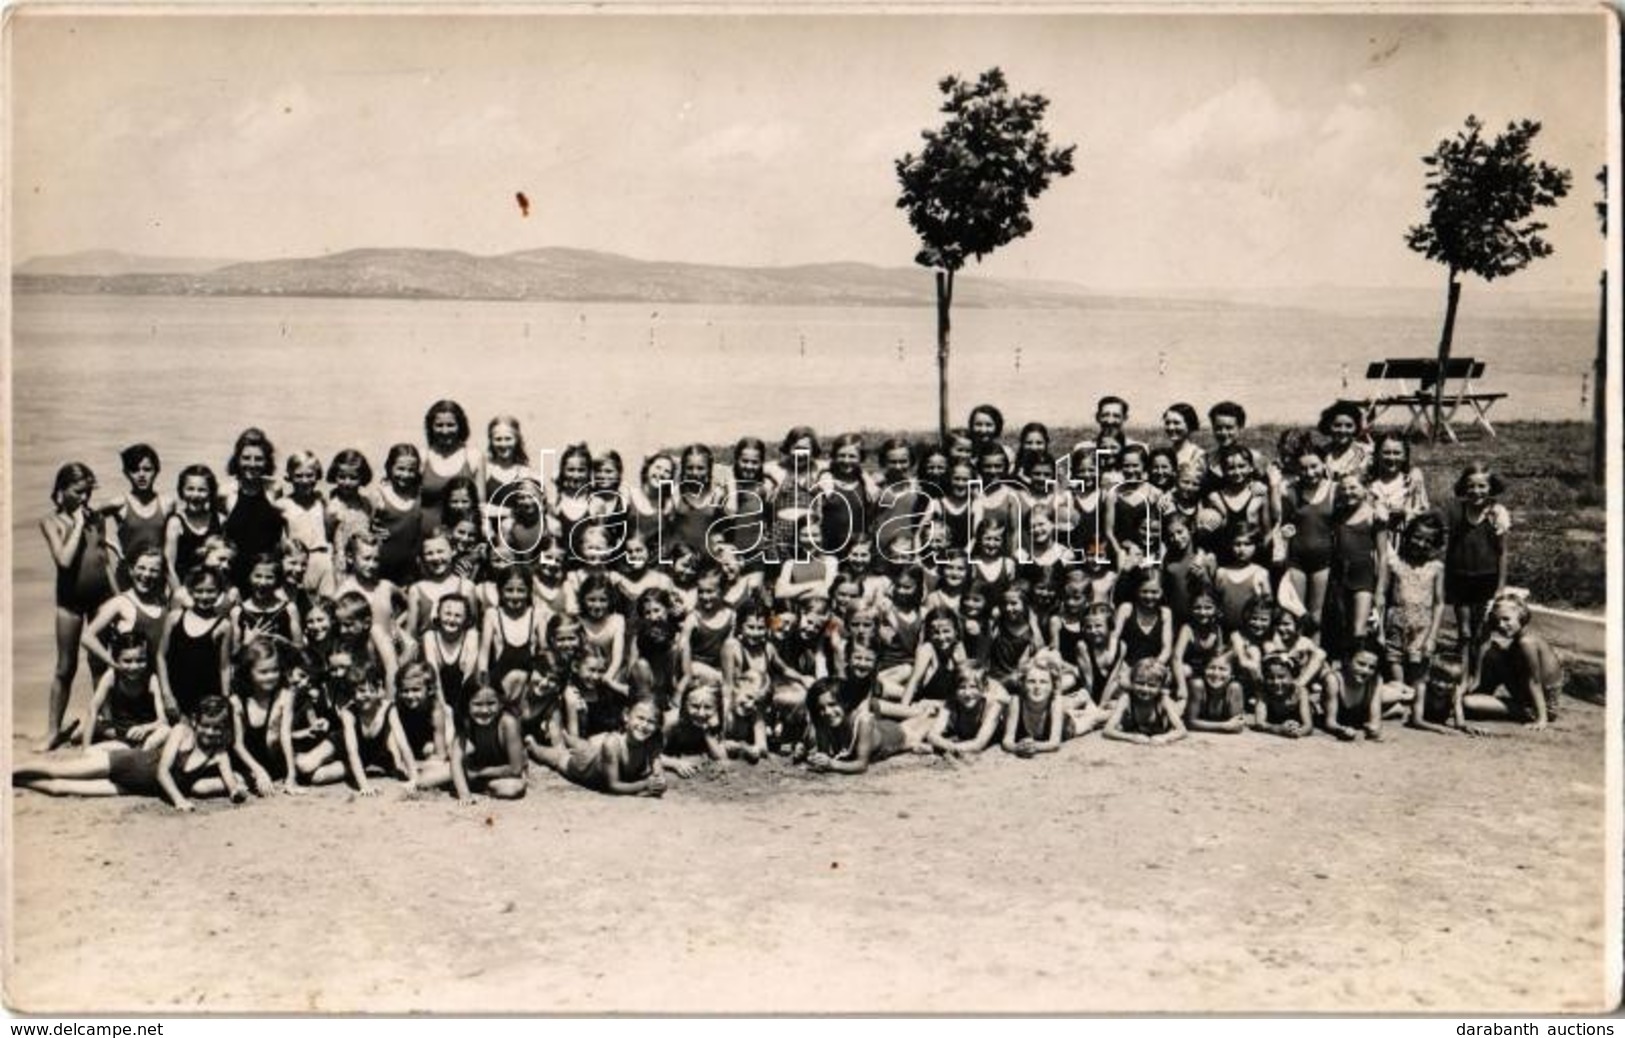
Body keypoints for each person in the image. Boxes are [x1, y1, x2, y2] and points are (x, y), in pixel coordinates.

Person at [13, 696, 245, 810]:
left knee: (60, 788)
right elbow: (163, 771)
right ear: (196, 722)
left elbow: (230, 780)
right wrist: (179, 801)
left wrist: (235, 791)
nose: (211, 732)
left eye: (218, 728)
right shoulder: (181, 732)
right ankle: (10, 769)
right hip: (127, 763)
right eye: (206, 725)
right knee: (56, 770)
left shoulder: (219, 753)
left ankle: (16, 783)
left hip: (133, 788)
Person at [40, 462, 117, 750]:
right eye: (78, 492)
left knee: (101, 663)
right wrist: (78, 525)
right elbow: (63, 560)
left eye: (87, 492)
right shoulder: (51, 522)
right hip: (69, 604)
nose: (84, 499)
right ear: (61, 491)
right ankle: (52, 731)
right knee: (65, 667)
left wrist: (120, 598)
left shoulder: (97, 518)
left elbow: (103, 562)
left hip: (101, 599)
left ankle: (105, 723)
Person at [1457, 591, 1563, 731]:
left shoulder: (1527, 642)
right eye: (1497, 620)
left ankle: (1479, 698)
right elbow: (1485, 647)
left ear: (1522, 615)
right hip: (1525, 693)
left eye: (1506, 619)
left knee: (1468, 702)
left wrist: (1541, 719)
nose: (1501, 625)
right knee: (1492, 652)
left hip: (1538, 707)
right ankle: (1480, 693)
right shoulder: (1522, 636)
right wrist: (1488, 625)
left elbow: (1534, 681)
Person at [1375, 514, 1447, 715]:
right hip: (1396, 622)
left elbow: (1440, 603)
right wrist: (1380, 629)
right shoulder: (1396, 564)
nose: (1421, 543)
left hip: (1422, 626)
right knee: (1395, 666)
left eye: (1428, 541)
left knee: (1418, 673)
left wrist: (1432, 636)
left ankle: (1415, 707)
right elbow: (1383, 598)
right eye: (1417, 537)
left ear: (1435, 544)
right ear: (1408, 536)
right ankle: (1400, 704)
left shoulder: (1437, 568)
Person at [530, 694, 669, 796]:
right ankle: (532, 744)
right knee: (558, 756)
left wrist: (659, 782)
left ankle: (566, 736)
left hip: (596, 754)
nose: (644, 725)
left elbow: (658, 775)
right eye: (640, 718)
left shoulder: (653, 741)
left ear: (657, 726)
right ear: (626, 716)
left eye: (651, 722)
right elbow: (613, 785)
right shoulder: (613, 745)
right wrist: (644, 785)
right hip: (583, 766)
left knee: (584, 745)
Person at [1444, 462, 1510, 675]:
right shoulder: (1456, 511)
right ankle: (1461, 675)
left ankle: (1478, 675)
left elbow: (1502, 552)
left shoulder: (1497, 514)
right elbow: (1445, 542)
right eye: (1471, 486)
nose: (1476, 491)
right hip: (1460, 578)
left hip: (1487, 579)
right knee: (1464, 631)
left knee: (1482, 632)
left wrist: (1500, 586)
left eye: (1482, 486)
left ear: (1491, 488)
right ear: (1464, 487)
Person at [800, 679, 932, 775]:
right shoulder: (823, 720)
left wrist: (831, 764)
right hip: (882, 729)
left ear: (845, 702)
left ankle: (933, 707)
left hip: (899, 735)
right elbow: (824, 753)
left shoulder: (863, 721)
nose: (827, 712)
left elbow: (861, 765)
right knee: (920, 718)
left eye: (833, 704)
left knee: (931, 720)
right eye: (821, 708)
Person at [157, 564, 232, 723]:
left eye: (211, 591)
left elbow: (224, 667)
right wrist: (166, 694)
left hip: (206, 700)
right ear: (190, 591)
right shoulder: (174, 618)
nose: (204, 596)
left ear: (219, 593)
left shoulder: (224, 626)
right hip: (176, 697)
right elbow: (161, 656)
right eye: (199, 591)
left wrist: (225, 702)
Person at [82, 545, 169, 668]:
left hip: (160, 677)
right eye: (141, 568)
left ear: (161, 574)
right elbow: (87, 636)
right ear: (131, 570)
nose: (146, 574)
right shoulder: (120, 602)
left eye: (154, 570)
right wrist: (114, 664)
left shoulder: (162, 600)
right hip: (132, 679)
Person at [82, 631, 169, 750]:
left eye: (140, 660)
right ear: (116, 660)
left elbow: (163, 720)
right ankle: (82, 730)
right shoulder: (111, 676)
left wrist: (145, 728)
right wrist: (85, 748)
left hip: (145, 733)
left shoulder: (151, 679)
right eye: (127, 661)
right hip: (119, 735)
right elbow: (93, 708)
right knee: (92, 727)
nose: (134, 666)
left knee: (166, 731)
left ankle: (142, 752)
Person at [277, 450, 336, 597]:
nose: (304, 480)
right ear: (289, 477)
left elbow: (329, 532)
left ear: (317, 476)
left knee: (326, 602)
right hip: (297, 562)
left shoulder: (321, 502)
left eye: (309, 475)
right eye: (298, 476)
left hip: (322, 558)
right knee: (297, 600)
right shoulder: (283, 504)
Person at [110, 444, 171, 583]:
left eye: (147, 469)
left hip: (156, 576)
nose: (141, 475)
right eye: (135, 470)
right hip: (127, 576)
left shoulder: (167, 504)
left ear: (157, 471)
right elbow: (88, 521)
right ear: (126, 473)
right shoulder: (119, 504)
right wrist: (113, 547)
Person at [420, 399, 483, 534]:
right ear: (430, 427)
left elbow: (480, 504)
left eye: (450, 425)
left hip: (463, 538)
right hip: (426, 538)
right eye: (439, 425)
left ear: (460, 426)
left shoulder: (473, 456)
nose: (445, 430)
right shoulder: (422, 456)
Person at [368, 443, 425, 586]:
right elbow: (365, 528)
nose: (405, 475)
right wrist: (372, 531)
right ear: (389, 467)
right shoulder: (378, 495)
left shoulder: (420, 496)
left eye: (411, 470)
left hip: (410, 572)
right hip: (380, 569)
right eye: (400, 469)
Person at [925, 665, 1006, 756]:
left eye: (973, 687)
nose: (967, 693)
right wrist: (950, 746)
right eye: (962, 687)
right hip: (959, 743)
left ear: (983, 689)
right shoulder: (951, 703)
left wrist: (949, 747)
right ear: (955, 690)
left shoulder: (993, 706)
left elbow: (979, 744)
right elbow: (932, 735)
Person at [164, 464, 223, 589]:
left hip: (212, 591)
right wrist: (179, 594)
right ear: (181, 490)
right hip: (184, 588)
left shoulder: (219, 520)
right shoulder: (175, 522)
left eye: (202, 490)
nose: (195, 495)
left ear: (210, 492)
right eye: (190, 489)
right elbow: (169, 566)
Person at [1102, 659, 1186, 745]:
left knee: (1178, 710)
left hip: (1168, 711)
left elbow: (1182, 730)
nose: (1145, 689)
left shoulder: (1162, 699)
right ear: (1132, 682)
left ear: (1160, 687)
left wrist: (1165, 737)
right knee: (1113, 711)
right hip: (1137, 720)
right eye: (1140, 683)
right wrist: (1131, 737)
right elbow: (1107, 730)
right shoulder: (1126, 698)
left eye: (1152, 685)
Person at [1252, 653, 1314, 739]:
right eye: (1270, 677)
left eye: (1281, 677)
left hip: (1295, 725)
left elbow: (1308, 725)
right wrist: (1279, 729)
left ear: (1293, 677)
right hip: (1276, 724)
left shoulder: (1300, 692)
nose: (1276, 682)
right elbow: (1259, 722)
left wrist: (1298, 732)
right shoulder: (1263, 691)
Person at [1185, 653, 1246, 734]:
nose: (1216, 673)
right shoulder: (1198, 686)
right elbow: (1190, 722)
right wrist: (1223, 726)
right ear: (1204, 670)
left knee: (1235, 686)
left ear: (1231, 674)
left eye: (1222, 669)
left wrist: (1203, 725)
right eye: (1211, 668)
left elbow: (1237, 726)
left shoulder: (1234, 688)